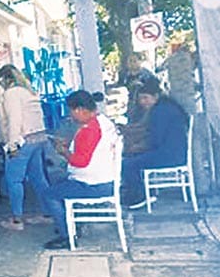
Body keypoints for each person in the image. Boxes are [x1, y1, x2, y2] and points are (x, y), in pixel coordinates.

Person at [40, 91, 120, 249]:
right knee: (59, 182)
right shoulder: (104, 122)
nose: (71, 115)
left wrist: (63, 151)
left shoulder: (89, 130)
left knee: (49, 194)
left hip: (93, 184)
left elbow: (79, 162)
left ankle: (67, 235)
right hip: (106, 179)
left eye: (71, 110)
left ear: (80, 109)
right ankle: (70, 223)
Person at [0, 64, 51, 231]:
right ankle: (48, 212)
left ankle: (17, 219)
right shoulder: (28, 91)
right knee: (38, 178)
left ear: (5, 79)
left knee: (14, 179)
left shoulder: (11, 94)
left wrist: (12, 144)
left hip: (23, 140)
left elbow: (15, 119)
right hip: (38, 138)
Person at [121, 79, 189, 209]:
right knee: (132, 159)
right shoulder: (165, 106)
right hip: (174, 151)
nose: (142, 102)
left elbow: (155, 140)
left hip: (170, 155)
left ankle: (138, 197)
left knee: (128, 164)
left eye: (146, 98)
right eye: (141, 99)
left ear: (156, 97)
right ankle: (144, 192)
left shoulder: (161, 111)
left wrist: (137, 148)